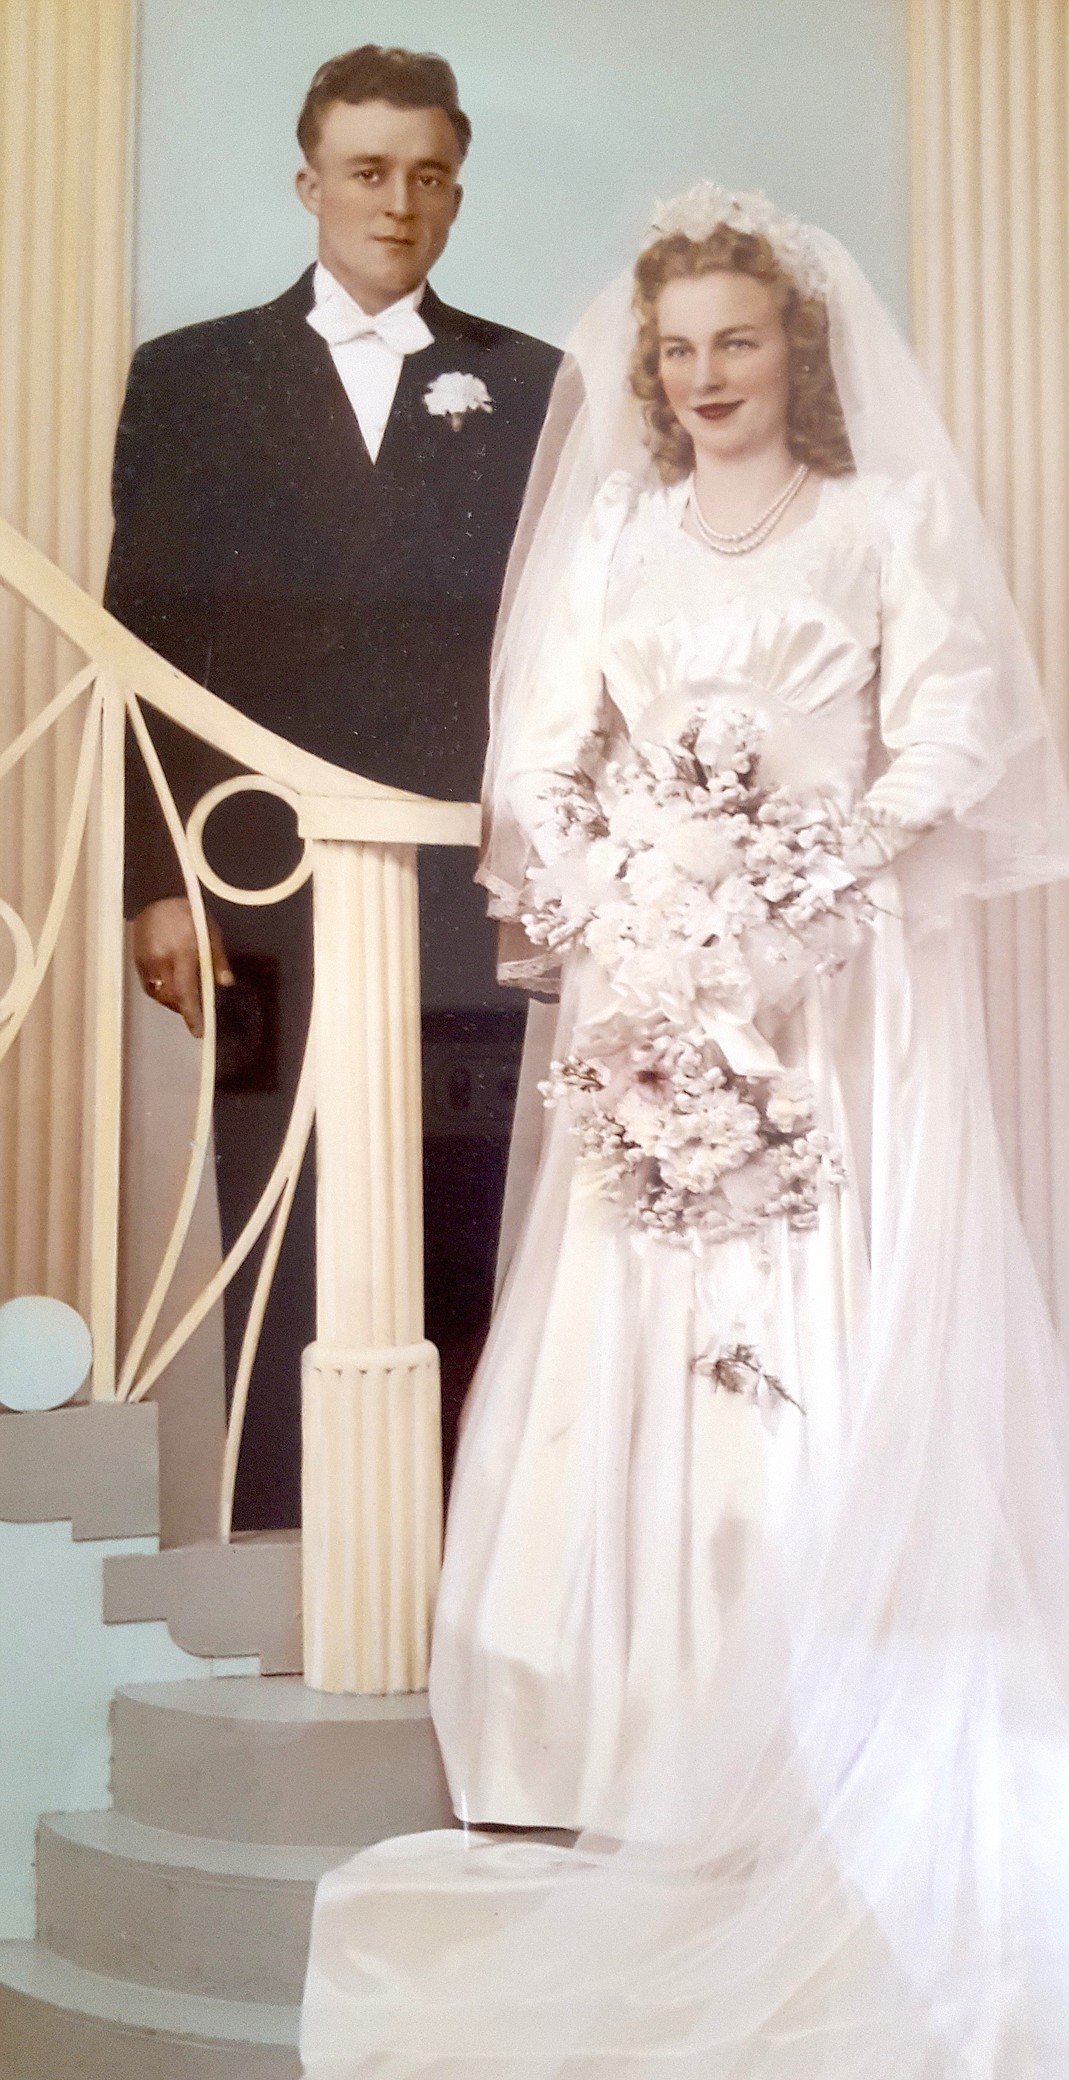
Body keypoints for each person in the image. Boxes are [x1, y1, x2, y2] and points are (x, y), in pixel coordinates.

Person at [299, 190, 1069, 2076]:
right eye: (677, 349)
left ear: (799, 356)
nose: (703, 379)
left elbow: (947, 740)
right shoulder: (613, 531)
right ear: (651, 371)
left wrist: (793, 891)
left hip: (840, 991)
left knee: (823, 1296)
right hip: (648, 984)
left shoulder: (885, 523)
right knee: (630, 1307)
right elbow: (540, 757)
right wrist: (631, 897)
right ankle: (606, 1729)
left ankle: (811, 1720)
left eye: (738, 344)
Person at [105, 46, 560, 1528]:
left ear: (457, 192)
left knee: (461, 1205)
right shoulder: (189, 378)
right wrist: (155, 878)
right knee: (279, 1202)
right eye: (368, 171)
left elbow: (559, 642)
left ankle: (452, 1572)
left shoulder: (531, 384)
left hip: (460, 880)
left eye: (428, 175)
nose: (398, 201)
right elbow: (144, 639)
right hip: (261, 880)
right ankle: (290, 1558)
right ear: (309, 184)